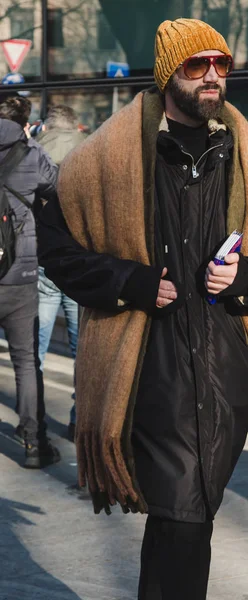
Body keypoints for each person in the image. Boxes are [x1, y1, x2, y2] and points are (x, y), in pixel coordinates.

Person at [37, 19, 248, 599]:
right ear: (167, 74)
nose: (212, 77)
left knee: (189, 517)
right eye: (197, 65)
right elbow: (57, 250)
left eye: (221, 65)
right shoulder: (107, 159)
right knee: (182, 516)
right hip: (151, 366)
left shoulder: (246, 159)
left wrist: (246, 276)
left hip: (230, 373)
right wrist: (130, 281)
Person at [0, 94, 60, 468]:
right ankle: (34, 443)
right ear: (26, 121)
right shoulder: (31, 152)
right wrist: (30, 141)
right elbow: (57, 187)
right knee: (25, 362)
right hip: (20, 276)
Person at [36, 105, 86, 441]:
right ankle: (76, 421)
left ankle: (34, 421)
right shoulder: (92, 150)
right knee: (82, 351)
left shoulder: (32, 151)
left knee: (33, 350)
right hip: (83, 263)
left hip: (43, 260)